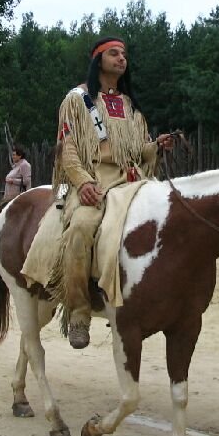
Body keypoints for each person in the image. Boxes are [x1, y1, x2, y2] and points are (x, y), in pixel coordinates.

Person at [52, 36, 174, 349]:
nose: (122, 58)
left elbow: (140, 150)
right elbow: (67, 149)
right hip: (95, 180)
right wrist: (83, 183)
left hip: (132, 180)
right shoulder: (77, 100)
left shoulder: (130, 106)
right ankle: (78, 312)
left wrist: (156, 147)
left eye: (124, 54)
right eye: (114, 54)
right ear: (98, 61)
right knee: (80, 229)